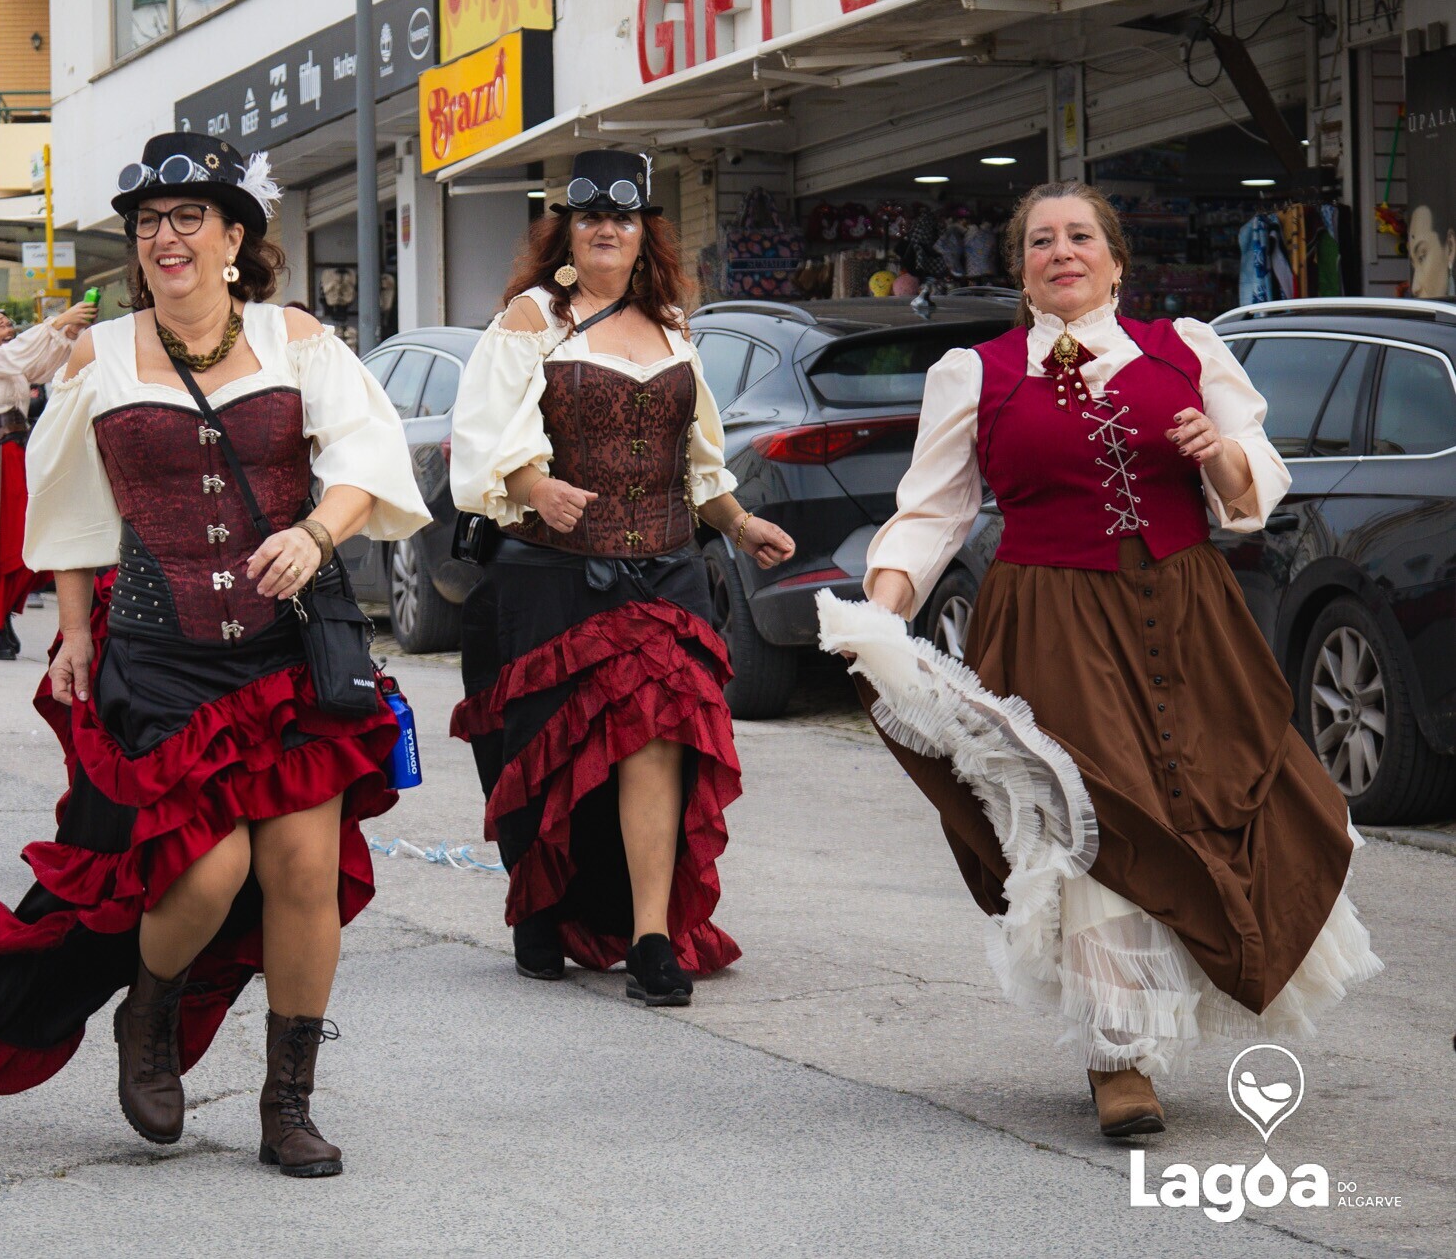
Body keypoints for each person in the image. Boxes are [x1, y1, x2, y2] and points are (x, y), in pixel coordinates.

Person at [857, 180, 1380, 1138]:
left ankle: (1205, 971)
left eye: (1081, 236)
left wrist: (1213, 450)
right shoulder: (974, 374)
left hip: (1189, 611)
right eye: (1041, 241)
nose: (1063, 252)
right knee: (1089, 815)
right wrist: (878, 621)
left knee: (1230, 794)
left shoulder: (1185, 348)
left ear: (1115, 257)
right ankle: (1119, 1055)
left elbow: (1253, 488)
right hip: (1049, 617)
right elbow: (931, 512)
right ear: (1020, 270)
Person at [0, 132, 429, 1181]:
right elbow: (70, 508)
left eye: (188, 220)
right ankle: (150, 1019)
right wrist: (75, 633)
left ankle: (287, 1099)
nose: (165, 239)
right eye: (149, 224)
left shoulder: (296, 338)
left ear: (233, 237)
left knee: (303, 868)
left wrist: (314, 535)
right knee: (203, 869)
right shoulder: (100, 357)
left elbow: (366, 459)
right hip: (162, 656)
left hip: (283, 651)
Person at [449, 150, 794, 1006]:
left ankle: (649, 938)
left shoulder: (674, 327)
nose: (608, 229)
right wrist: (532, 484)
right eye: (591, 216)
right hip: (556, 579)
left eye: (625, 217)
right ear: (566, 230)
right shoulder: (531, 322)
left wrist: (741, 524)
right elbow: (483, 435)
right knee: (547, 755)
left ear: (645, 233)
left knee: (657, 734)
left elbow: (698, 459)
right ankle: (542, 905)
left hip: (668, 572)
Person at [0, 296, 97, 660]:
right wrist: (57, 324)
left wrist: (67, 334)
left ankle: (1, 620)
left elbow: (39, 367)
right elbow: (21, 358)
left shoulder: (2, 357)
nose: (1, 317)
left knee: (21, 539)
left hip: (11, 454)